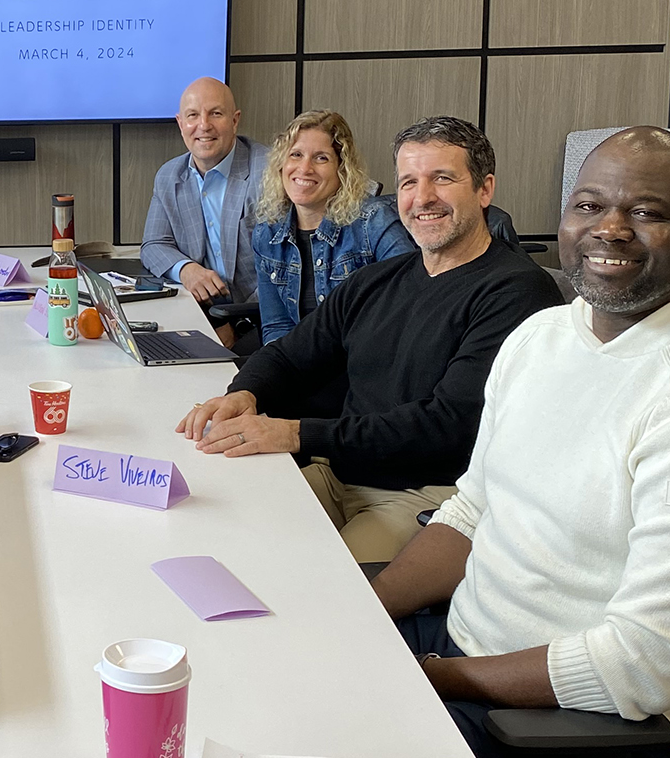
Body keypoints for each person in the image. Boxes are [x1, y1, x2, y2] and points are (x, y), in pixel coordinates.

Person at [374, 127, 670, 758]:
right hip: (466, 664)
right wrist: (365, 608)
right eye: (589, 205)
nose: (609, 228)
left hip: (591, 740)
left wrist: (440, 680)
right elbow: (474, 509)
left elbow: (646, 661)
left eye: (646, 212)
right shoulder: (541, 338)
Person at [177, 115, 563, 563]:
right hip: (340, 471)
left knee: (312, 586)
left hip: (424, 493)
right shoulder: (379, 280)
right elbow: (289, 354)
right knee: (214, 537)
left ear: (484, 189)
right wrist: (243, 393)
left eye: (442, 179)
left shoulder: (517, 291)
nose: (423, 198)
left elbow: (446, 427)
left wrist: (296, 433)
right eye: (408, 182)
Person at [251, 110, 414, 345]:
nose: (304, 168)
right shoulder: (267, 233)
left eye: (321, 158)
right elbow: (277, 326)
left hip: (361, 365)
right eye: (296, 154)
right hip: (299, 368)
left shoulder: (373, 223)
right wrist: (280, 375)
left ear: (342, 169)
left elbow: (413, 299)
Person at [141, 77, 266, 345]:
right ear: (180, 123)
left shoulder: (267, 172)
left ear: (235, 120)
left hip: (264, 317)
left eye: (216, 114)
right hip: (203, 312)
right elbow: (153, 244)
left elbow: (285, 268)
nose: (204, 126)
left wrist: (237, 323)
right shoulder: (169, 176)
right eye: (193, 116)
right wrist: (186, 270)